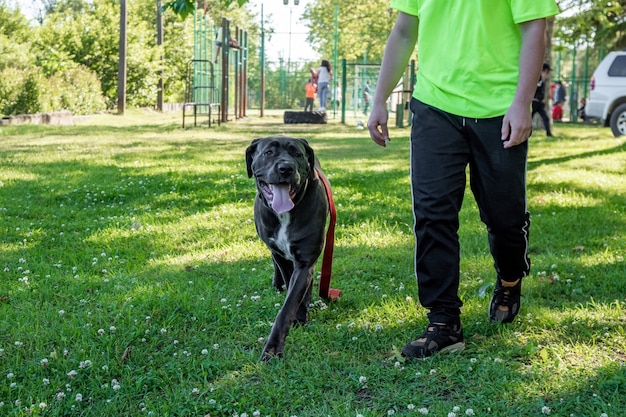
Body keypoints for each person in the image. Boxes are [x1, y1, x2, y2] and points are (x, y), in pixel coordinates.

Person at [367, 0, 559, 358]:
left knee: (505, 217)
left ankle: (510, 279)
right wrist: (380, 98)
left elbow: (535, 29)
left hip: (499, 107)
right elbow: (405, 31)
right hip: (435, 105)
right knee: (432, 212)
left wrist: (522, 102)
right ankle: (443, 322)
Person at [532, 63, 554, 136]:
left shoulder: (543, 81)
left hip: (539, 103)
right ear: (543, 71)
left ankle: (548, 133)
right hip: (533, 102)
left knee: (545, 117)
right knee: (529, 118)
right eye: (547, 72)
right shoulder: (537, 78)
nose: (548, 75)